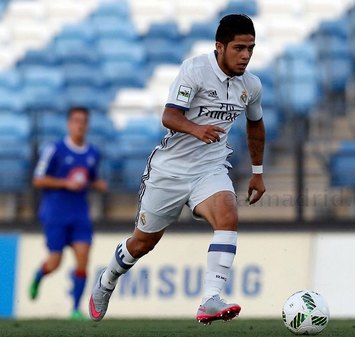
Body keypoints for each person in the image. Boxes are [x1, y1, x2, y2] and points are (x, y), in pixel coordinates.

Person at [88, 13, 266, 324]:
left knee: (228, 215)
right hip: (170, 171)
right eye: (239, 48)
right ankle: (108, 279)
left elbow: (256, 123)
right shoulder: (195, 70)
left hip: (209, 167)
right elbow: (169, 116)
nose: (246, 56)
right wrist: (196, 129)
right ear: (219, 47)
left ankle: (210, 298)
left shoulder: (251, 85)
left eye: (251, 48)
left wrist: (258, 171)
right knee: (142, 243)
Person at [30, 106, 108, 320]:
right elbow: (38, 179)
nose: (80, 125)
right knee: (55, 262)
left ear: (87, 125)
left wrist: (97, 183)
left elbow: (89, 178)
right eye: (76, 121)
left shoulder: (93, 153)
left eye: (83, 121)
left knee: (83, 258)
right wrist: (65, 183)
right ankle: (39, 275)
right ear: (69, 124)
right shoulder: (54, 149)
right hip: (55, 212)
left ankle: (75, 309)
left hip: (80, 214)